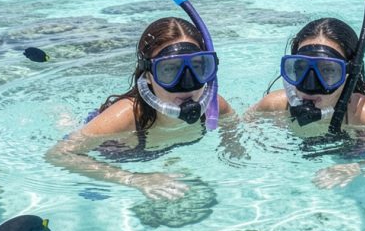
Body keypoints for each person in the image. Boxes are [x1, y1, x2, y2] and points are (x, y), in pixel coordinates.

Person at [46, 17, 233, 200]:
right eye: (169, 69)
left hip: (161, 152)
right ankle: (64, 117)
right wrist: (134, 179)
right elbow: (59, 154)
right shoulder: (126, 116)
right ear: (148, 75)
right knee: (70, 130)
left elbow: (233, 125)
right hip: (111, 150)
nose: (187, 82)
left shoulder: (214, 106)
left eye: (198, 66)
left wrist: (233, 146)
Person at [250, 17, 365, 188]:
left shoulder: (361, 113)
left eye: (328, 70)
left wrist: (359, 167)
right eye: (300, 67)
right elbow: (247, 124)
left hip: (361, 147)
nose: (310, 84)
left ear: (349, 74)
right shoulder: (276, 105)